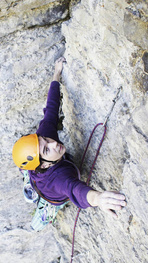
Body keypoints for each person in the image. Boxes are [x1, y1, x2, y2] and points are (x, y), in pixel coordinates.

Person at [12, 57, 126, 231]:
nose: (53, 144)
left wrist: (56, 73)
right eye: (46, 149)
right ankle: (38, 214)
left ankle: (29, 181)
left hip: (37, 170)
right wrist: (99, 198)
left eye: (46, 140)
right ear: (43, 163)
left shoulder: (44, 139)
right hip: (51, 194)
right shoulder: (58, 180)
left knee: (31, 170)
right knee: (43, 216)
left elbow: (51, 108)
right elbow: (74, 190)